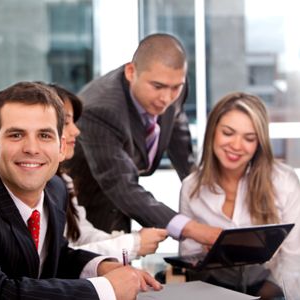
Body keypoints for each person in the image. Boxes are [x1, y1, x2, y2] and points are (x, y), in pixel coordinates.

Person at [0, 81, 162, 300]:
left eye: (44, 136)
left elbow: (57, 256)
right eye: (16, 135)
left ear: (61, 147)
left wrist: (101, 267)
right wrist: (105, 290)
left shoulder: (56, 189)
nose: (31, 148)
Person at [65, 33, 221, 245]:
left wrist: (210, 202)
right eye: (157, 87)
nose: (166, 98)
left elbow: (183, 152)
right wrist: (193, 229)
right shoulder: (100, 109)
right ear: (131, 72)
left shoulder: (173, 87)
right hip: (89, 206)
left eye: (175, 87)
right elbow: (122, 187)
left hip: (122, 203)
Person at [179, 92, 300, 298]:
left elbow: (294, 260)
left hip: (270, 290)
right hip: (212, 292)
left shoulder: (284, 182)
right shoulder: (191, 187)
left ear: (259, 143)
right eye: (228, 133)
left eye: (249, 138)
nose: (236, 145)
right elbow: (189, 259)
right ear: (213, 132)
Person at [49, 83, 168, 261]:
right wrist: (131, 244)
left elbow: (79, 234)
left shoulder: (62, 181)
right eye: (66, 122)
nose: (76, 130)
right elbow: (62, 256)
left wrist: (126, 241)